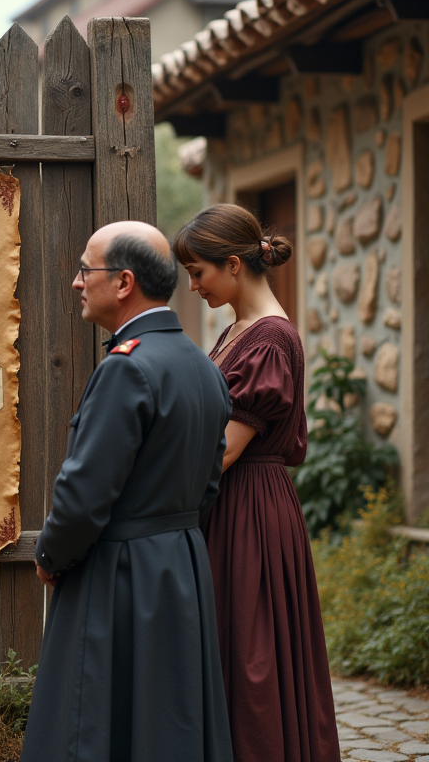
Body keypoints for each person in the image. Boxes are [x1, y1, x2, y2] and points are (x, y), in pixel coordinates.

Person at [21, 221, 234, 762]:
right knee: (169, 723)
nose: (76, 283)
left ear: (123, 283)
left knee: (94, 727)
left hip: (118, 576)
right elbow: (208, 481)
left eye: (85, 270)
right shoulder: (202, 368)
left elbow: (84, 492)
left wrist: (51, 554)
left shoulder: (127, 367)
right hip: (182, 569)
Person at [172, 204, 340, 762]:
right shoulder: (238, 330)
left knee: (250, 652)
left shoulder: (268, 338)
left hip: (250, 511)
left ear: (236, 265)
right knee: (235, 648)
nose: (192, 285)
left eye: (199, 272)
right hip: (239, 507)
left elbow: (221, 452)